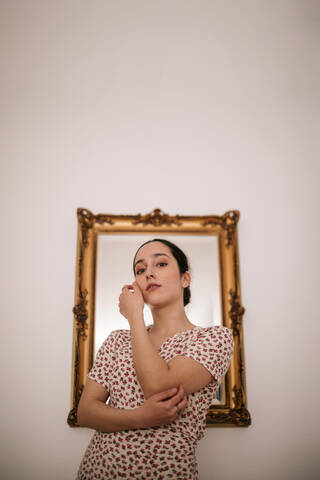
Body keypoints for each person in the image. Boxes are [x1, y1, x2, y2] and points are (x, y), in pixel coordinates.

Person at [76, 238, 234, 479]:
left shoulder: (214, 338)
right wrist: (142, 417)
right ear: (136, 285)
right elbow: (85, 412)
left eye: (160, 264)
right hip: (98, 471)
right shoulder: (117, 340)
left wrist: (135, 318)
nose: (149, 273)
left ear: (185, 279)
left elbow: (159, 385)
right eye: (141, 270)